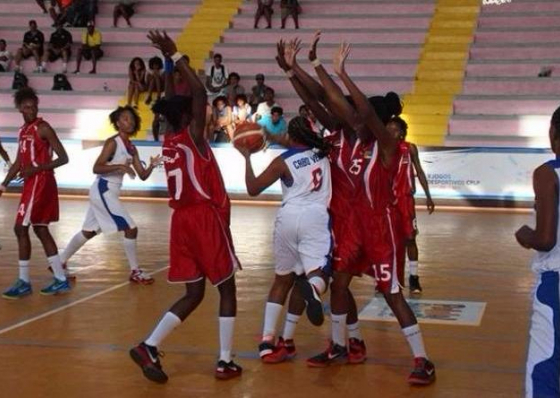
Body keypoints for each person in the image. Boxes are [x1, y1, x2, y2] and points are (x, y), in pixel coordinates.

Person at [130, 30, 242, 383]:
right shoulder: (193, 137)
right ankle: (225, 361)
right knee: (227, 288)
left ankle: (149, 345)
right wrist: (177, 55)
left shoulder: (168, 139)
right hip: (203, 217)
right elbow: (199, 92)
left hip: (179, 222)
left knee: (194, 292)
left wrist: (166, 66)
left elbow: (171, 98)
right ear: (188, 118)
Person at [326, 41, 435, 384]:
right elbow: (339, 107)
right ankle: (340, 344)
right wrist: (317, 66)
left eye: (363, 116)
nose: (355, 119)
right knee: (339, 283)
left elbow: (365, 113)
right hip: (356, 223)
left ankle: (423, 360)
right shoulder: (361, 144)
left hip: (380, 226)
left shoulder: (387, 145)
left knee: (391, 294)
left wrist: (343, 74)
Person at [238, 116, 331, 361]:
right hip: (315, 218)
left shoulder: (282, 161)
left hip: (288, 219)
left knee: (282, 281)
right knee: (319, 274)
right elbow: (295, 142)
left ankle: (268, 342)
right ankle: (312, 290)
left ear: (291, 136)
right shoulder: (323, 153)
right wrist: (271, 136)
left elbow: (253, 188)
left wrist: (247, 159)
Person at [59, 106, 159, 285]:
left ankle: (59, 262)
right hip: (103, 190)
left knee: (88, 232)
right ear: (118, 123)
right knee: (131, 228)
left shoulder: (132, 148)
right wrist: (119, 167)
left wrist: (151, 165)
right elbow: (96, 168)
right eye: (125, 118)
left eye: (131, 118)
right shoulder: (112, 142)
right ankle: (135, 271)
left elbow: (142, 175)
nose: (129, 121)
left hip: (107, 192)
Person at [0, 87, 70, 299]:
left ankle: (24, 282)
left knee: (20, 228)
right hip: (32, 183)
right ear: (20, 108)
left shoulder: (43, 128)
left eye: (34, 107)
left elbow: (64, 157)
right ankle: (60, 279)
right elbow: (20, 163)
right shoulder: (23, 131)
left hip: (41, 182)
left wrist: (37, 168)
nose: (31, 110)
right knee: (40, 229)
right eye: (27, 107)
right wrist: (4, 184)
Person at [516, 106, 560, 398]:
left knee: (543, 372)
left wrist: (525, 234)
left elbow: (545, 239)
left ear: (554, 133)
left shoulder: (547, 173)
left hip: (556, 286)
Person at [392, 120, 435, 294]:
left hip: (405, 200)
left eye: (394, 130)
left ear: (402, 133)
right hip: (388, 200)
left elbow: (420, 171)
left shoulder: (409, 149)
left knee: (410, 239)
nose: (390, 133)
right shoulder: (381, 149)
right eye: (387, 129)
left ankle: (414, 278)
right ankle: (390, 277)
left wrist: (428, 196)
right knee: (389, 241)